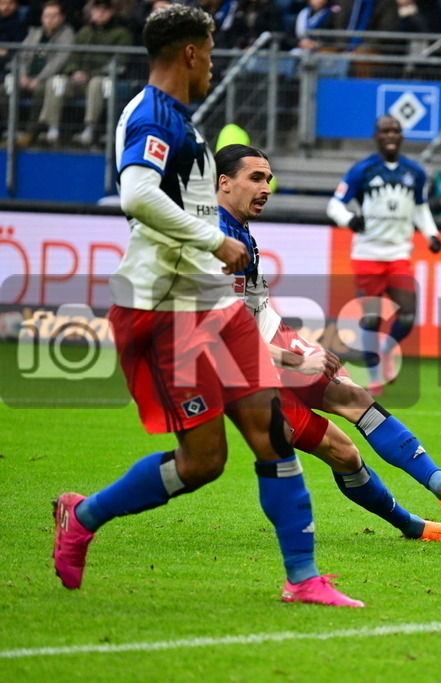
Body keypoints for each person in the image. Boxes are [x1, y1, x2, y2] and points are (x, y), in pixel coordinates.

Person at [51, 4, 363, 608]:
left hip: (211, 303)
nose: (215, 65)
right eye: (212, 53)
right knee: (203, 464)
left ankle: (304, 579)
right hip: (165, 311)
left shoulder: (184, 125)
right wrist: (214, 240)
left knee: (270, 431)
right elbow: (137, 195)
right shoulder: (151, 116)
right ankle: (84, 516)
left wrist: (214, 256)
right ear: (191, 52)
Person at [216, 144, 441, 542]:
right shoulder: (212, 243)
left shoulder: (239, 230)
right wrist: (293, 362)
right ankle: (413, 528)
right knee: (342, 452)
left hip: (265, 342)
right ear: (224, 183)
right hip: (237, 375)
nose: (266, 188)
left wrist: (297, 348)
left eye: (269, 179)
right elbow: (220, 336)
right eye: (256, 178)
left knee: (353, 395)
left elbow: (254, 310)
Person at [326, 114, 441, 396]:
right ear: (376, 136)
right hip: (367, 253)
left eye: (396, 131)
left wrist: (432, 234)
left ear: (402, 136)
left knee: (408, 313)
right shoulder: (362, 170)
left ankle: (387, 349)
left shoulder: (415, 172)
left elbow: (420, 208)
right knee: (370, 319)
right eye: (385, 131)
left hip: (399, 252)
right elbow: (334, 205)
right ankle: (375, 373)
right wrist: (350, 221)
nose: (391, 135)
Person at [37, 0, 132, 147]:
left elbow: (119, 62)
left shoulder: (122, 33)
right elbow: (72, 57)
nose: (100, 13)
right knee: (56, 82)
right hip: (78, 81)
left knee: (96, 83)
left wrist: (91, 74)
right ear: (91, 11)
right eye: (97, 9)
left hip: (103, 82)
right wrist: (74, 71)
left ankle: (89, 131)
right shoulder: (84, 31)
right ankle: (52, 130)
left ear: (112, 12)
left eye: (104, 10)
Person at [5, 1, 74, 146]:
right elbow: (21, 56)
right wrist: (22, 75)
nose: (49, 19)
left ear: (62, 17)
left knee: (40, 92)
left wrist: (38, 79)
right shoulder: (34, 33)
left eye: (54, 16)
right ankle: (11, 129)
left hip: (48, 80)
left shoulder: (67, 34)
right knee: (3, 91)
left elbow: (59, 61)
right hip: (26, 78)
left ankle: (30, 133)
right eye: (47, 15)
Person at [0, 0, 28, 68]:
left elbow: (17, 48)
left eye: (10, 3)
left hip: (8, 62)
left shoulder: (21, 25)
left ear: (17, 5)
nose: (6, 7)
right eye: (2, 3)